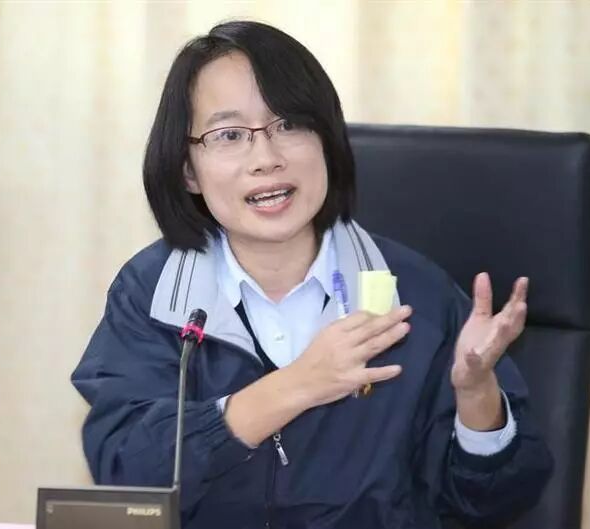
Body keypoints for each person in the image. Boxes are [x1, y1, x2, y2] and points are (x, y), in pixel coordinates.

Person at [71, 20, 553, 529]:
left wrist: (476, 398)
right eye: (229, 134)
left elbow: (494, 504)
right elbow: (127, 475)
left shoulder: (416, 295)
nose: (267, 158)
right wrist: (299, 385)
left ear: (326, 141)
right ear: (188, 169)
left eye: (289, 125)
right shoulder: (154, 293)